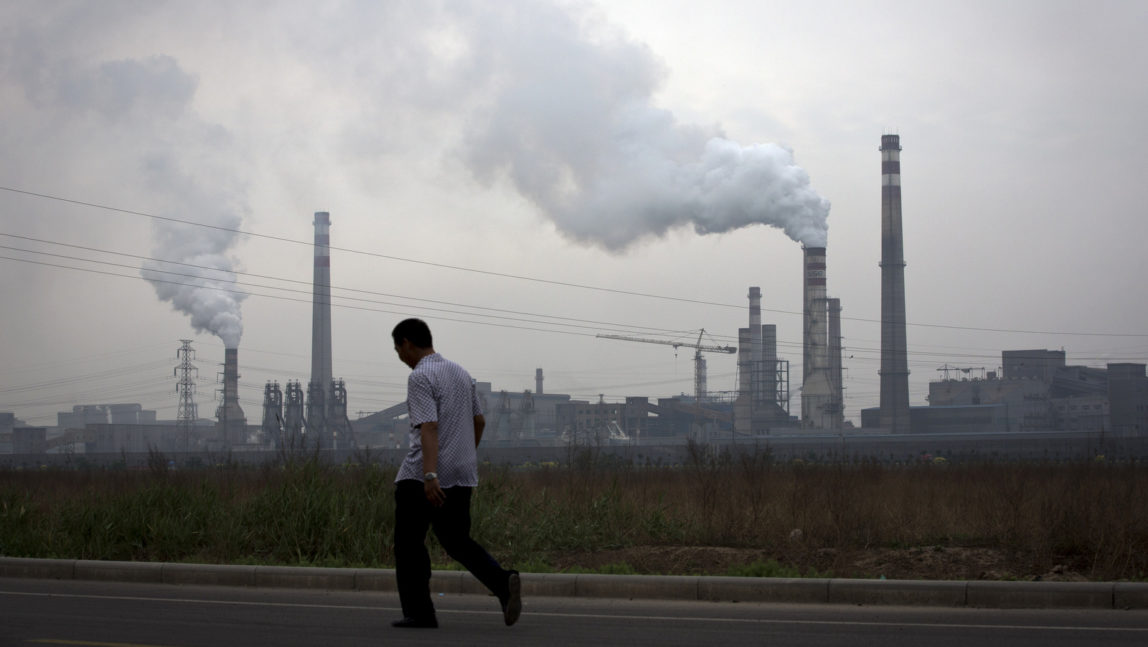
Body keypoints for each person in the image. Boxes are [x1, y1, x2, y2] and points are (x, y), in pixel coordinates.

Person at [389, 318, 521, 629]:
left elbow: (429, 426)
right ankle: (503, 583)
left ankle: (420, 613)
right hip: (462, 473)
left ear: (407, 343)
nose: (399, 356)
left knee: (408, 545)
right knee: (456, 541)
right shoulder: (461, 373)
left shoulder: (420, 376)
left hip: (421, 475)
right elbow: (479, 422)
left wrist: (431, 474)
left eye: (397, 349)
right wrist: (463, 457)